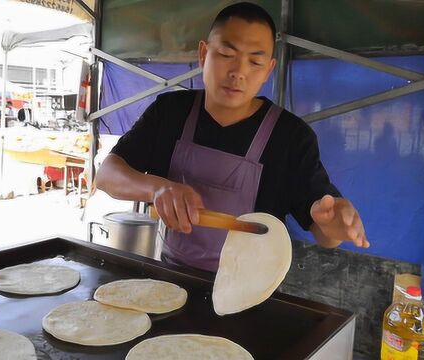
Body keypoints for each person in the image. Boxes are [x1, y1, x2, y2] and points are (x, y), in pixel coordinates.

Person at [96, 2, 369, 272]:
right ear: (203, 54)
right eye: (227, 54)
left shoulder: (291, 137)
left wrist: (335, 227)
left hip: (250, 293)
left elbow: (324, 233)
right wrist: (157, 188)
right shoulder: (170, 112)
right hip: (172, 276)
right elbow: (107, 175)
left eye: (255, 61)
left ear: (268, 70)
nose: (238, 72)